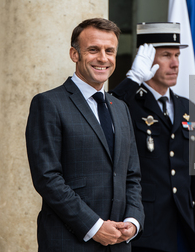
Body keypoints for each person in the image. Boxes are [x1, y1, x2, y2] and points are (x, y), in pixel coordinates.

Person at [25, 18, 144, 252]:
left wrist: (133, 221)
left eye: (109, 51)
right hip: (69, 242)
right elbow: (47, 178)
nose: (103, 58)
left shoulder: (121, 108)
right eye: (93, 50)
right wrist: (94, 226)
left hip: (119, 244)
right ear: (74, 54)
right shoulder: (48, 103)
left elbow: (132, 176)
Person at [111, 22, 195, 252]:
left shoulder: (187, 107)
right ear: (145, 58)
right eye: (166, 55)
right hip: (146, 226)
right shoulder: (128, 103)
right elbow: (105, 109)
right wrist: (133, 79)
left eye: (177, 55)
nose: (175, 63)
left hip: (183, 225)